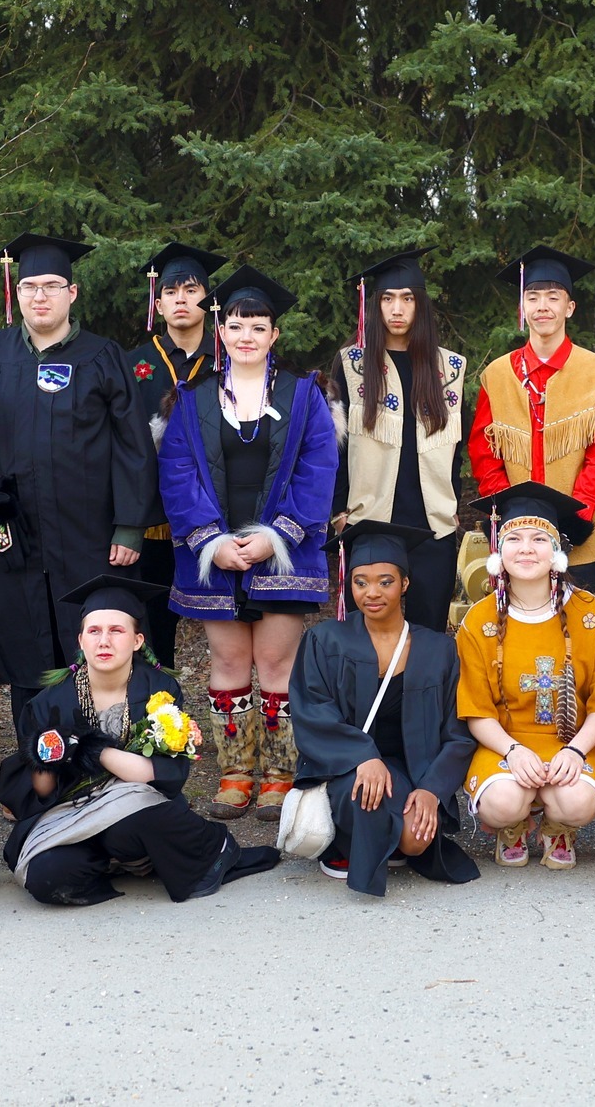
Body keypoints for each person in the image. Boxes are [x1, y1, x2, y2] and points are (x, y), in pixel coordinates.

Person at [0, 233, 156, 728]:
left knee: (92, 629)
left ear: (72, 293)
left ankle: (100, 739)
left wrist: (130, 525)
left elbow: (133, 444)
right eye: (29, 287)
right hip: (14, 525)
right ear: (16, 292)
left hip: (88, 526)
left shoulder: (102, 356)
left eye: (51, 286)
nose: (39, 296)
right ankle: (35, 745)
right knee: (23, 631)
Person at [159, 266, 337, 821]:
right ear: (221, 332)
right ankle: (236, 773)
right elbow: (178, 471)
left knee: (276, 662)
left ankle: (281, 775)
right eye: (236, 326)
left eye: (258, 327)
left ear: (274, 334)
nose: (246, 336)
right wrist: (211, 542)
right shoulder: (192, 398)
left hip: (284, 552)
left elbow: (318, 468)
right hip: (215, 553)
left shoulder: (304, 395)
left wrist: (274, 538)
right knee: (229, 660)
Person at [0, 575, 278, 905]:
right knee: (48, 878)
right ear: (81, 641)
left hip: (138, 810)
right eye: (94, 631)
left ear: (136, 640)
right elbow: (42, 792)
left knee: (135, 822)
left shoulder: (158, 691)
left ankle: (212, 848)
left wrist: (92, 750)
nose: (104, 641)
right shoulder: (50, 702)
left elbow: (157, 775)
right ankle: (120, 861)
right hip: (70, 815)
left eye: (116, 631)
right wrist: (46, 758)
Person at [289, 521, 480, 895]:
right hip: (345, 764)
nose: (371, 593)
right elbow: (312, 711)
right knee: (366, 796)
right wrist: (363, 756)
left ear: (404, 584)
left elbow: (457, 733)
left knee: (415, 840)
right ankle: (349, 843)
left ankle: (380, 839)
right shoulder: (325, 641)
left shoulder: (438, 650)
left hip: (413, 769)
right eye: (360, 582)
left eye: (385, 582)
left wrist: (432, 790)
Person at [454, 482, 595, 870]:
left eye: (539, 539)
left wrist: (576, 751)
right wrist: (512, 751)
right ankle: (512, 826)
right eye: (514, 539)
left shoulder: (589, 613)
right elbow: (476, 710)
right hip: (504, 744)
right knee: (502, 803)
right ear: (499, 552)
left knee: (576, 802)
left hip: (572, 742)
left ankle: (558, 827)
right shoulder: (479, 620)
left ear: (556, 552)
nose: (526, 549)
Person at [468, 245, 595, 595]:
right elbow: (484, 454)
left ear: (569, 307)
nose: (542, 306)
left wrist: (576, 515)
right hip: (516, 534)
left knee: (577, 619)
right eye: (533, 297)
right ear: (522, 307)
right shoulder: (497, 375)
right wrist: (510, 513)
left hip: (577, 531)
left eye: (553, 297)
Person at [332, 248, 469, 633]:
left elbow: (455, 448)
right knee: (368, 634)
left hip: (432, 523)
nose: (397, 309)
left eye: (407, 298)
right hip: (370, 520)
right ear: (374, 305)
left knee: (429, 632)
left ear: (420, 304)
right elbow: (335, 446)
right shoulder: (352, 365)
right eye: (388, 299)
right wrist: (339, 513)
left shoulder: (449, 368)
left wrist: (453, 501)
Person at [125, 242, 225, 667]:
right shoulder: (131, 364)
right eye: (171, 291)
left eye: (191, 289)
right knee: (152, 625)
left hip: (216, 514)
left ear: (208, 299)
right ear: (158, 303)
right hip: (151, 517)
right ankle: (157, 698)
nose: (181, 299)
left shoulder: (229, 358)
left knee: (226, 623)